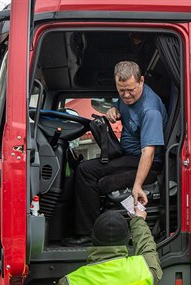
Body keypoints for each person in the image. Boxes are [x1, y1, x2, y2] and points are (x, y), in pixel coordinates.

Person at [65, 60, 168, 246]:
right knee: (84, 169)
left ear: (141, 81)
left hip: (145, 162)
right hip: (128, 157)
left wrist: (138, 185)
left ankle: (89, 233)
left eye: (130, 90)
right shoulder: (126, 96)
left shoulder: (150, 110)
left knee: (87, 172)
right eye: (121, 91)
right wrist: (114, 110)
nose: (126, 95)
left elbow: (149, 153)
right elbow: (123, 107)